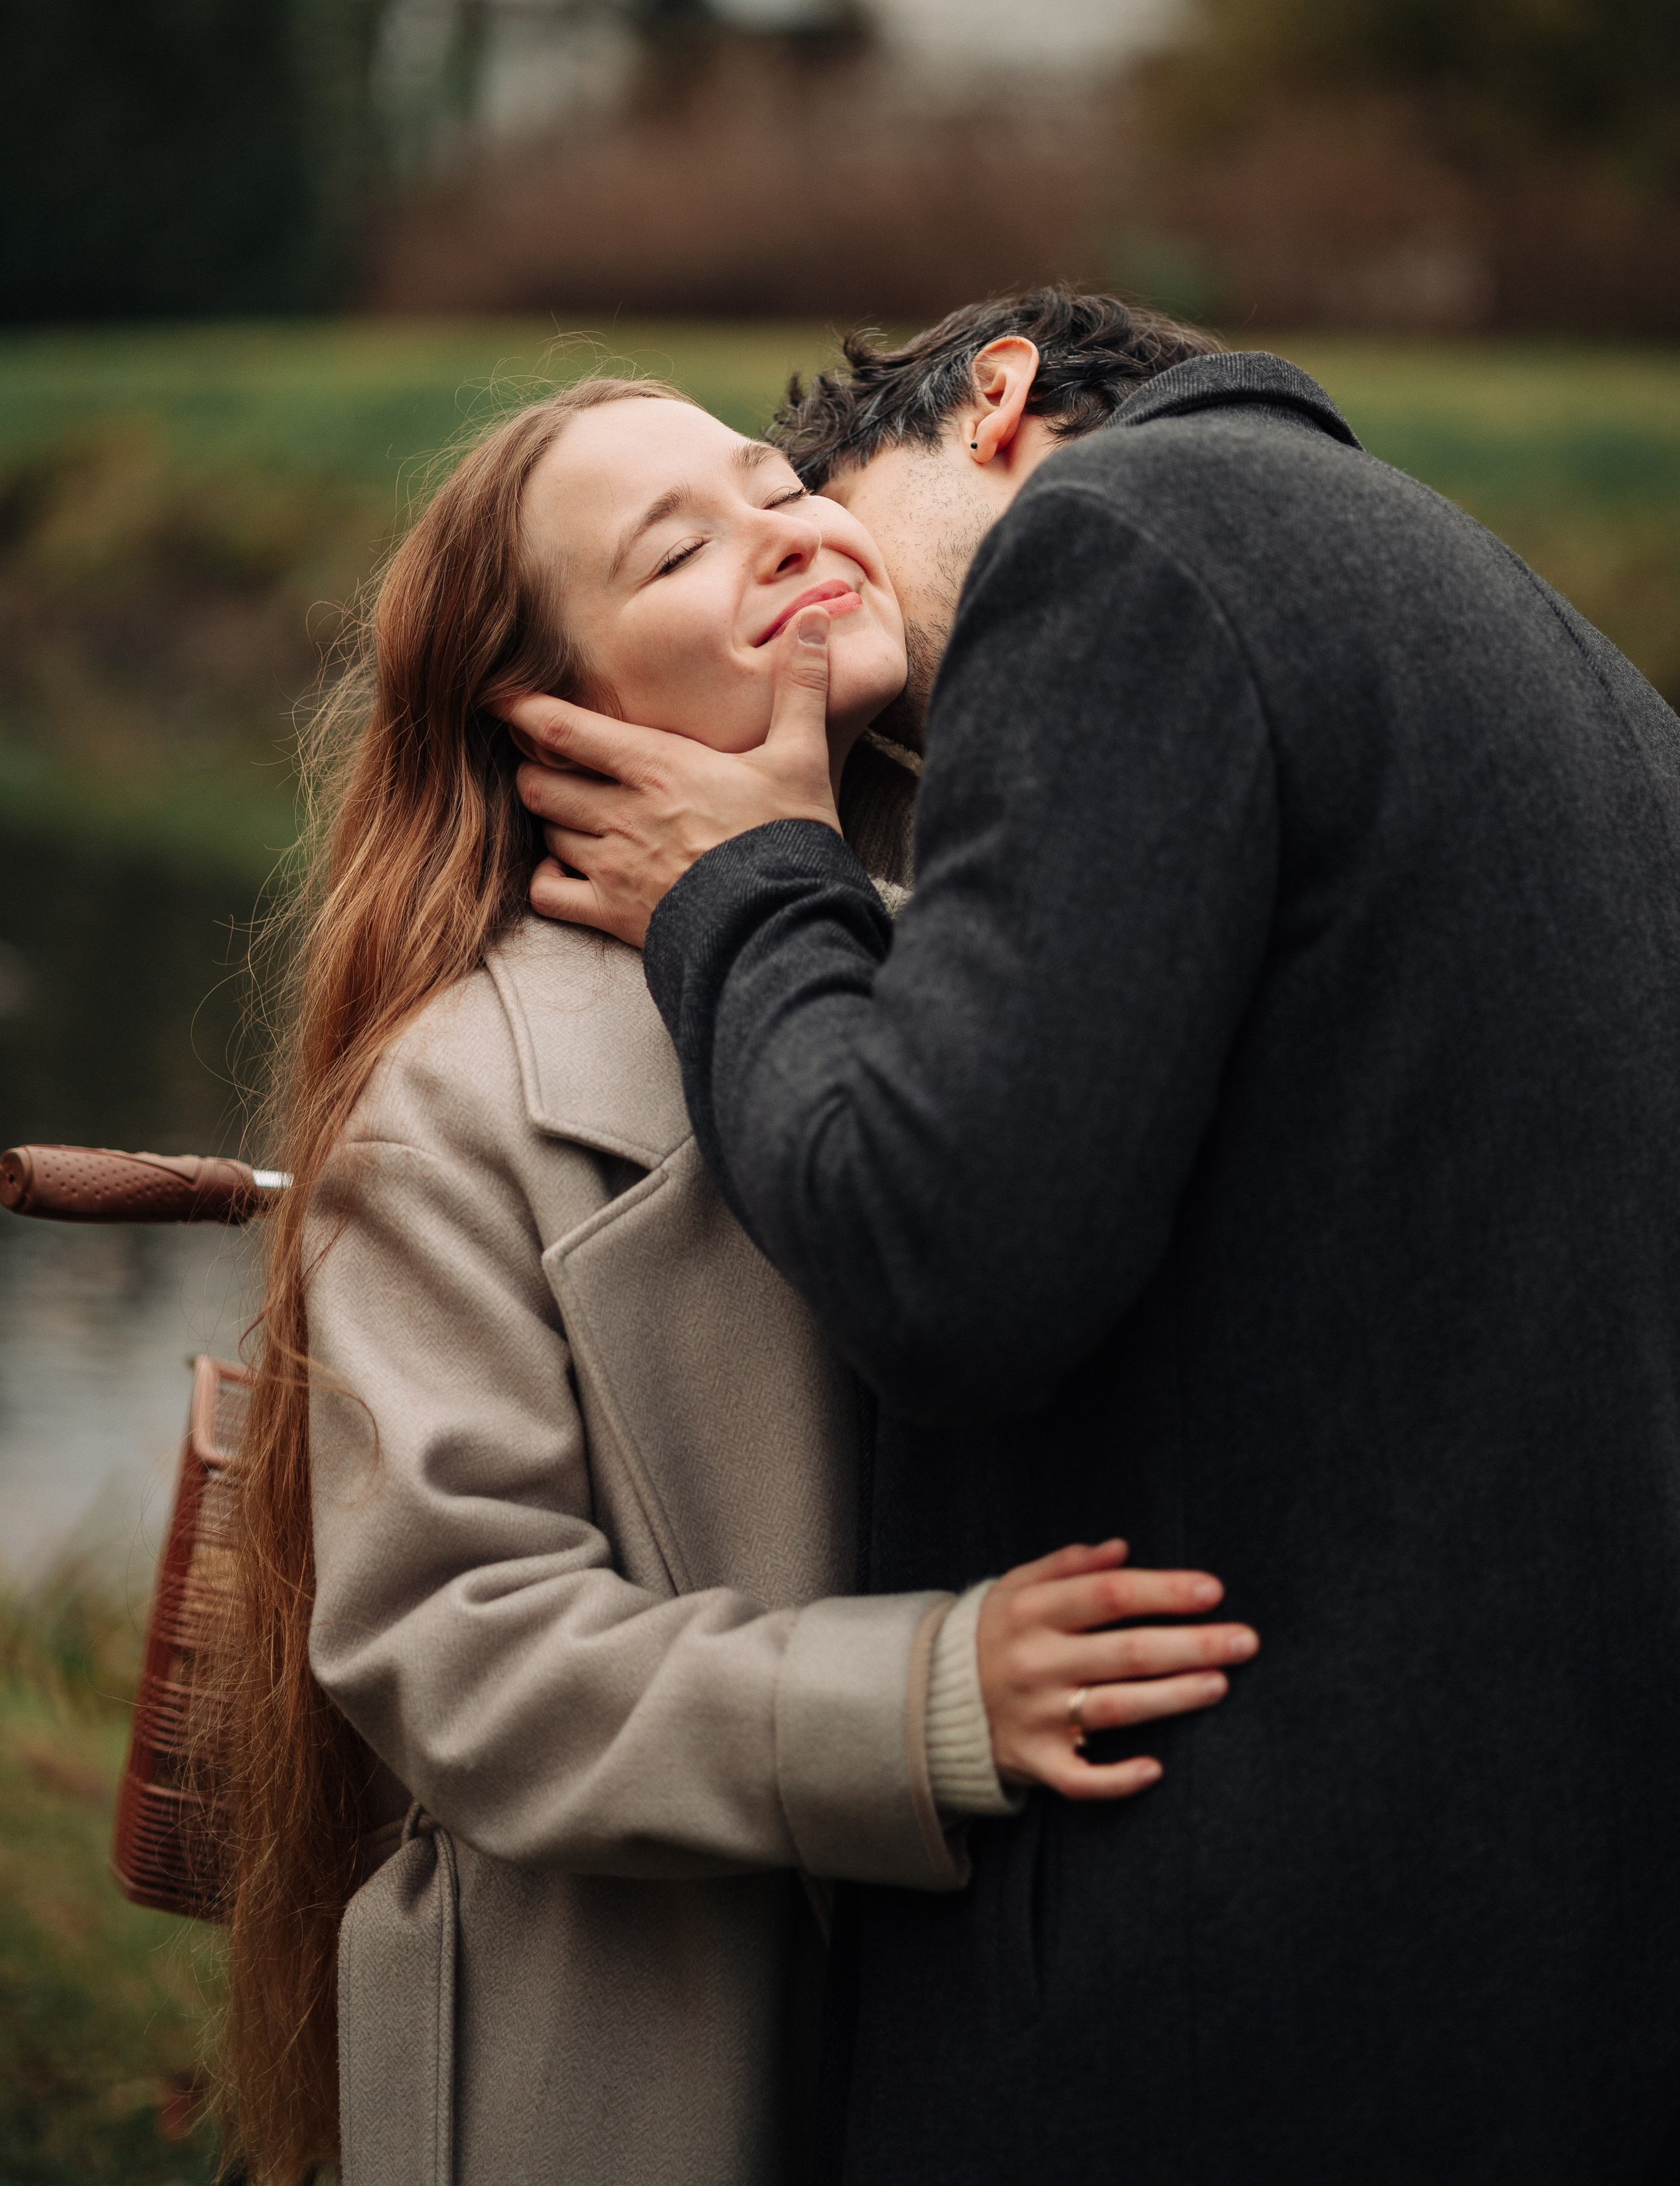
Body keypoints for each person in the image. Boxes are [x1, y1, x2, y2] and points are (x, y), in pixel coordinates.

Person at [508, 292, 1680, 2184]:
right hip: (1580, 1982)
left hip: (1249, 2008)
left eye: (813, 507)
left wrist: (747, 885)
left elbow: (938, 1249)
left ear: (992, 399)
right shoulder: (1594, 692)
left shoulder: (1122, 540)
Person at [215, 370, 1258, 2186]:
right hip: (636, 2056)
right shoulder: (460, 1096)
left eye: (775, 483)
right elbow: (458, 1650)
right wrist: (921, 1704)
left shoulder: (1022, 950)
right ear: (551, 719)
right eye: (675, 549)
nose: (778, 529)